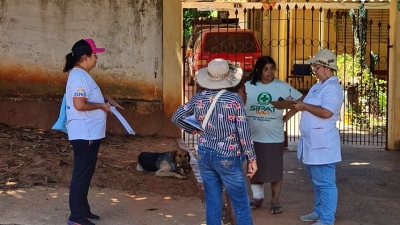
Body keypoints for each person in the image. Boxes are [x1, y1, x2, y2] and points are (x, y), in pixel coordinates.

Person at [172, 58, 258, 225]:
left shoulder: (199, 98)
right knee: (241, 203)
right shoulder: (234, 100)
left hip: (205, 153)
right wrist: (252, 158)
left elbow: (176, 117)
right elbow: (243, 131)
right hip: (228, 155)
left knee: (213, 201)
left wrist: (194, 130)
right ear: (228, 78)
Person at [63, 38, 123, 225]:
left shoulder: (82, 74)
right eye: (94, 54)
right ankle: (77, 218)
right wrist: (102, 106)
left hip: (89, 133)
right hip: (85, 133)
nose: (97, 58)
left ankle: (83, 210)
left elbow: (86, 95)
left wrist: (106, 98)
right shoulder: (79, 76)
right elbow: (79, 104)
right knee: (81, 174)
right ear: (84, 57)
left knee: (86, 172)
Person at [244, 56, 303, 214]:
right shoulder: (248, 86)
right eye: (266, 69)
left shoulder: (281, 86)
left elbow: (300, 100)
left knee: (275, 170)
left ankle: (275, 201)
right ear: (258, 70)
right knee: (254, 169)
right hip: (253, 135)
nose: (269, 72)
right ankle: (257, 198)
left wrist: (287, 116)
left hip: (274, 136)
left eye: (272, 68)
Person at [292, 49, 343, 225]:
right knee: (317, 182)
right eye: (314, 66)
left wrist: (304, 107)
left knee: (326, 183)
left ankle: (327, 219)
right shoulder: (318, 85)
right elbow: (309, 103)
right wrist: (299, 104)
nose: (314, 69)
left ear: (328, 68)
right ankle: (319, 211)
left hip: (323, 144)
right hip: (312, 143)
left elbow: (327, 112)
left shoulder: (333, 88)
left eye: (317, 66)